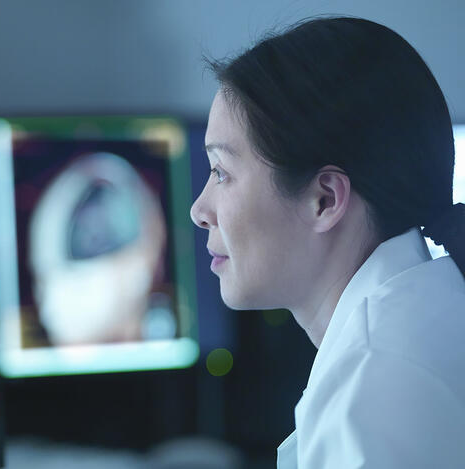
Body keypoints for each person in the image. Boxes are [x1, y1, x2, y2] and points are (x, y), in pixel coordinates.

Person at [191, 17, 465, 468]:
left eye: (221, 172)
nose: (199, 210)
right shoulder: (425, 310)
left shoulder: (375, 385)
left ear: (325, 200)